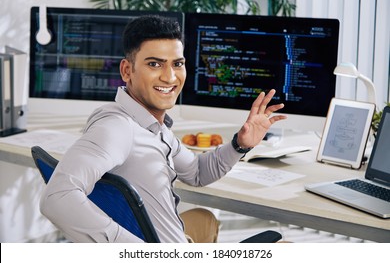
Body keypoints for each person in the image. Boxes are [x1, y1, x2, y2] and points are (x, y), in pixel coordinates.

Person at [40, 15, 287, 243]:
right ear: (127, 70)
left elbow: (198, 173)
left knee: (203, 217)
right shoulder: (117, 128)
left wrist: (240, 144)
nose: (170, 77)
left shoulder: (151, 125)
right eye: (155, 64)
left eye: (177, 64)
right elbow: (57, 199)